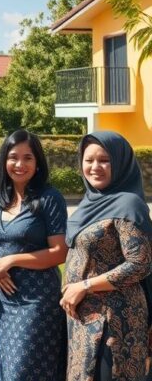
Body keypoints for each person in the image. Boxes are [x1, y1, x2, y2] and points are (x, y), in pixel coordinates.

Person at [61, 131, 152, 381]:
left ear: (120, 163)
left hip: (115, 321)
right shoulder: (91, 202)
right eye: (89, 160)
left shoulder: (128, 205)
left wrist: (85, 286)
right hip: (84, 321)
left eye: (105, 160)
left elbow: (139, 263)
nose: (95, 167)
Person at [0, 130, 67, 381]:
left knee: (24, 370)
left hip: (37, 300)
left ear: (38, 162)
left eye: (28, 158)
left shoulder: (49, 198)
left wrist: (10, 260)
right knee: (6, 369)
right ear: (4, 160)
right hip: (4, 302)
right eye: (13, 157)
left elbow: (59, 252)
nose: (20, 164)